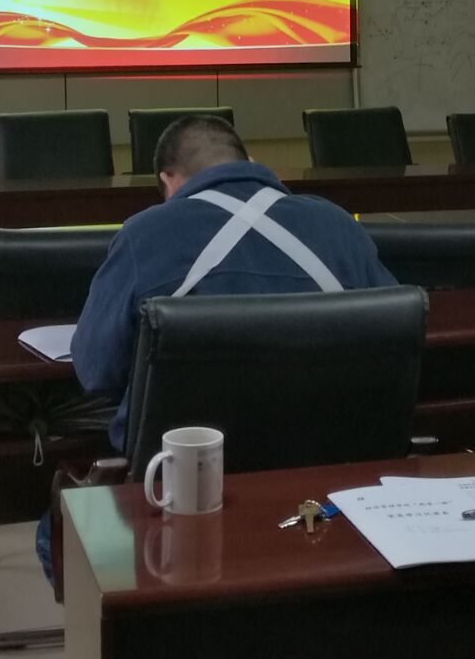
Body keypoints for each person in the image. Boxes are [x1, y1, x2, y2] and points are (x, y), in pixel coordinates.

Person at [72, 112, 399, 450]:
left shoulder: (142, 235)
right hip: (336, 455)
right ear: (251, 163)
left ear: (167, 181)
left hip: (186, 470)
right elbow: (396, 337)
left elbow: (95, 370)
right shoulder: (338, 224)